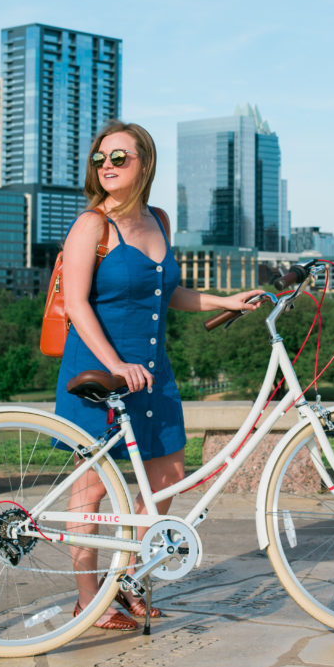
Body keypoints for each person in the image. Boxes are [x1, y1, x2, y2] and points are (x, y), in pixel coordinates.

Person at [55, 119, 262, 630]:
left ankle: (127, 582)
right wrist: (115, 364)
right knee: (93, 489)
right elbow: (76, 304)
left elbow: (168, 293)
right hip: (99, 370)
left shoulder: (160, 221)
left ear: (144, 163)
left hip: (153, 374)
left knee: (166, 476)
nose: (107, 165)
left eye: (119, 157)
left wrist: (223, 300)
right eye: (101, 158)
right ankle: (89, 602)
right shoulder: (91, 225)